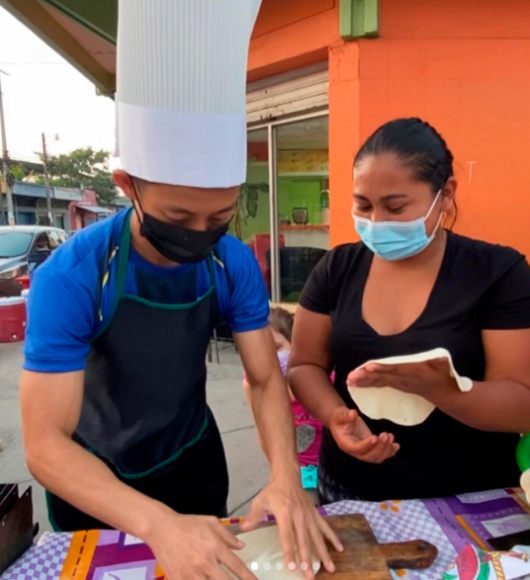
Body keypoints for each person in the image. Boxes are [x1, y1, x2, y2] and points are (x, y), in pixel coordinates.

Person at [19, 3, 341, 580]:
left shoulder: (232, 262)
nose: (199, 235)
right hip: (93, 481)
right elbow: (46, 444)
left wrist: (285, 479)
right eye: (177, 215)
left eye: (218, 216)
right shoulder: (72, 278)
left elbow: (267, 376)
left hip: (192, 460)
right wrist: (158, 523)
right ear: (127, 185)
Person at [289, 117, 530, 504]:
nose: (376, 222)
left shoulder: (499, 274)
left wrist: (445, 391)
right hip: (348, 493)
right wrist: (336, 416)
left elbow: (525, 405)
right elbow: (304, 366)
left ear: (446, 194)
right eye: (363, 205)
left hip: (470, 502)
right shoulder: (336, 269)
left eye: (395, 206)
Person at [243, 308, 323, 491]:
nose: (270, 356)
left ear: (294, 344)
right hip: (292, 473)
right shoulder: (253, 383)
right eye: (262, 349)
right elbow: (263, 433)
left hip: (330, 470)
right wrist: (281, 474)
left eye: (277, 348)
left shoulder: (323, 378)